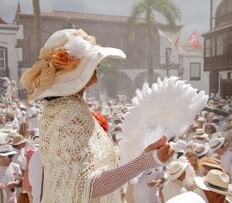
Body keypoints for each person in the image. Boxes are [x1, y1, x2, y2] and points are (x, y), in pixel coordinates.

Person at [20, 28, 174, 203]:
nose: (96, 79)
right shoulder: (70, 113)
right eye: (94, 69)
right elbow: (84, 187)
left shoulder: (58, 109)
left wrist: (144, 156)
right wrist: (146, 162)